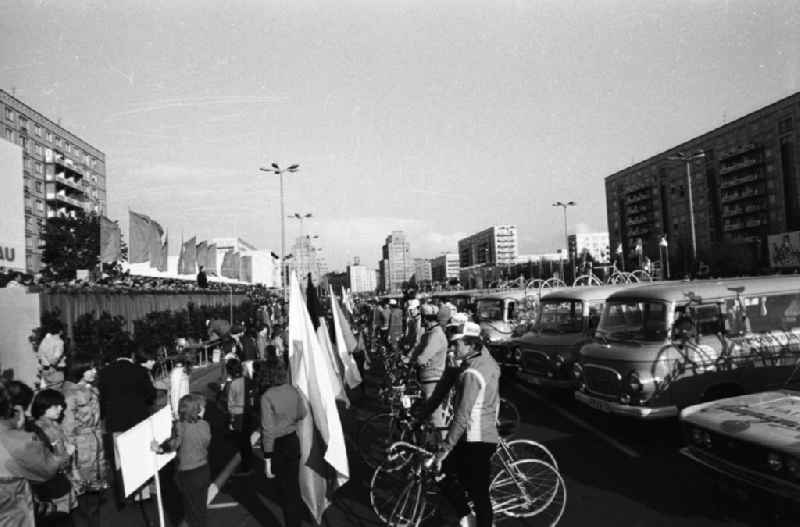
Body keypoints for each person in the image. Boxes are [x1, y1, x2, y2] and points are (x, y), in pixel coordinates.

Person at [433, 321, 501, 527]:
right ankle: (466, 517)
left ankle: (472, 519)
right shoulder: (480, 358)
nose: (452, 348)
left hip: (478, 438)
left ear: (471, 345)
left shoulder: (472, 373)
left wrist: (445, 448)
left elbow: (462, 416)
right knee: (448, 473)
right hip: (474, 434)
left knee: (478, 494)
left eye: (457, 344)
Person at [0, 381, 69, 527]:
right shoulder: (21, 441)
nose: (27, 415)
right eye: (25, 409)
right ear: (14, 409)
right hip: (13, 515)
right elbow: (47, 470)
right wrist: (61, 453)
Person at [97, 348, 157, 506]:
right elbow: (151, 395)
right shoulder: (139, 371)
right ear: (131, 355)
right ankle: (141, 494)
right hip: (138, 421)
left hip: (115, 422)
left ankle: (124, 494)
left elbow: (101, 400)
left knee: (120, 460)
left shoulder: (104, 373)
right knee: (139, 458)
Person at [260, 359, 309, 527]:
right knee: (293, 487)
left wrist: (267, 460)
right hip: (292, 440)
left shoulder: (267, 397)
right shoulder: (293, 390)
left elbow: (268, 431)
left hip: (278, 445)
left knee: (284, 491)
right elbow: (303, 412)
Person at [151, 394, 210, 527]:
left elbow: (174, 444)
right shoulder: (205, 425)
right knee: (201, 508)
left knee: (191, 510)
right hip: (204, 470)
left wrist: (160, 448)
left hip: (189, 474)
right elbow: (206, 442)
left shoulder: (181, 426)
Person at [60, 358, 109, 498]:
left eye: (95, 368)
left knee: (96, 490)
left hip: (95, 441)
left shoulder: (92, 389)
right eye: (90, 368)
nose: (95, 371)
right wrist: (71, 458)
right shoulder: (70, 394)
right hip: (82, 446)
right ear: (79, 370)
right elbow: (67, 427)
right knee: (86, 491)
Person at [30, 389, 78, 518]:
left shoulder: (54, 425)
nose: (60, 408)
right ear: (43, 407)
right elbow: (48, 462)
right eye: (55, 406)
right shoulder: (41, 431)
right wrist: (68, 453)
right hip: (54, 487)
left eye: (61, 405)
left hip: (63, 481)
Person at [408, 305, 449, 430]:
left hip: (433, 378)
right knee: (422, 411)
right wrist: (408, 358)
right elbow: (418, 348)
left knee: (435, 416)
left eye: (423, 318)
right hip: (426, 378)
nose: (422, 321)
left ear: (427, 319)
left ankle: (443, 445)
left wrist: (415, 362)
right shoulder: (429, 334)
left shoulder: (436, 335)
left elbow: (424, 355)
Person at [225, 359, 252, 475]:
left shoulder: (232, 385)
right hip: (248, 413)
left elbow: (230, 405)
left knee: (241, 443)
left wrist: (231, 420)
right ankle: (249, 464)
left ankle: (246, 467)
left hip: (238, 416)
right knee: (246, 440)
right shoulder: (247, 380)